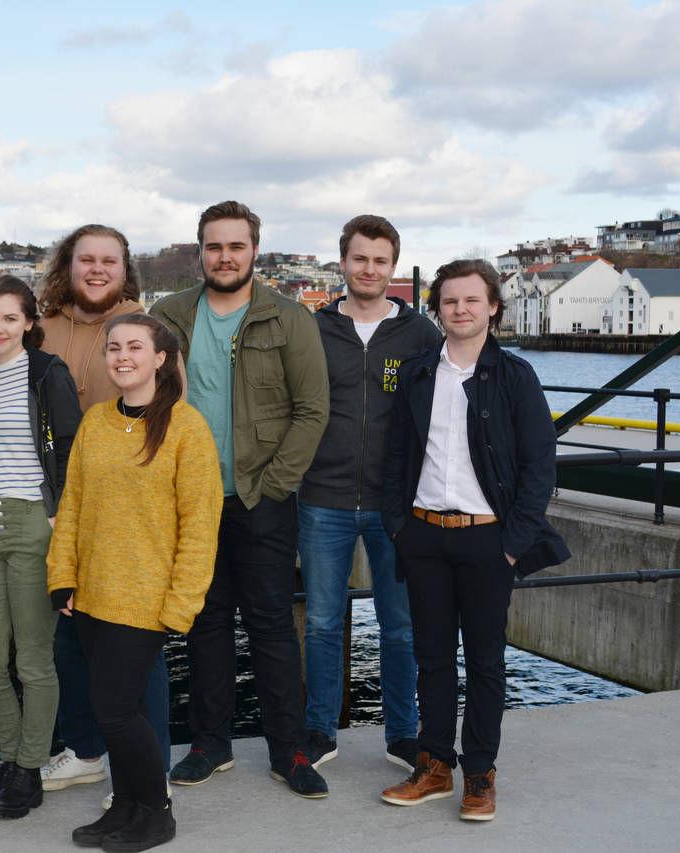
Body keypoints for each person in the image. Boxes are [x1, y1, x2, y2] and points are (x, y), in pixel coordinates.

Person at [151, 200, 330, 797]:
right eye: (213, 246)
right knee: (204, 625)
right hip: (192, 502)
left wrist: (275, 485)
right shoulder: (170, 315)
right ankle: (211, 744)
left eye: (235, 246)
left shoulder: (286, 317)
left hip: (262, 498)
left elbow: (312, 410)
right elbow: (154, 406)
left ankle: (289, 751)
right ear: (199, 251)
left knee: (273, 625)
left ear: (255, 249)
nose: (224, 257)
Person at [380, 259, 569, 822]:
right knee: (432, 658)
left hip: (488, 541)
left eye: (471, 300)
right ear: (437, 309)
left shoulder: (515, 377)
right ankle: (435, 765)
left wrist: (512, 544)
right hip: (424, 536)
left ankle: (480, 774)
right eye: (449, 301)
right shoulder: (417, 374)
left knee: (486, 661)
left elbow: (540, 467)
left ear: (492, 307)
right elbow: (395, 459)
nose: (459, 309)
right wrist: (400, 528)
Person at [47, 314, 222, 852]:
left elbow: (200, 525)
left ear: (160, 359)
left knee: (114, 712)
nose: (122, 356)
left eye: (135, 347)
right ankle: (125, 806)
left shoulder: (186, 428)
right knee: (129, 712)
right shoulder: (97, 421)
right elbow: (72, 504)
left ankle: (157, 811)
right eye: (114, 347)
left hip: (145, 600)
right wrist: (62, 576)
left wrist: (181, 605)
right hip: (92, 596)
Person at [297, 215, 440, 771]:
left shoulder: (420, 334)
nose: (370, 269)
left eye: (380, 260)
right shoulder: (312, 328)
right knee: (324, 623)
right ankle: (319, 731)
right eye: (360, 258)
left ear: (393, 267)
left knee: (400, 625)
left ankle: (403, 734)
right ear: (343, 262)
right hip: (321, 498)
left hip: (394, 505)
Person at [35, 224, 173, 796]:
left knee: (139, 650)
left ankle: (151, 768)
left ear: (125, 270)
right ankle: (85, 749)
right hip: (57, 507)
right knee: (69, 641)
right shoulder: (39, 330)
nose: (96, 269)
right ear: (68, 265)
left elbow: (172, 418)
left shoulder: (145, 327)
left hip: (131, 514)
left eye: (108, 261)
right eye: (85, 259)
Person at [0, 275, 82, 819]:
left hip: (37, 522)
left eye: (9, 318)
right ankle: (14, 758)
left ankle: (28, 769)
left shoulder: (46, 372)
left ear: (29, 323)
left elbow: (73, 449)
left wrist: (64, 518)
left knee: (34, 660)